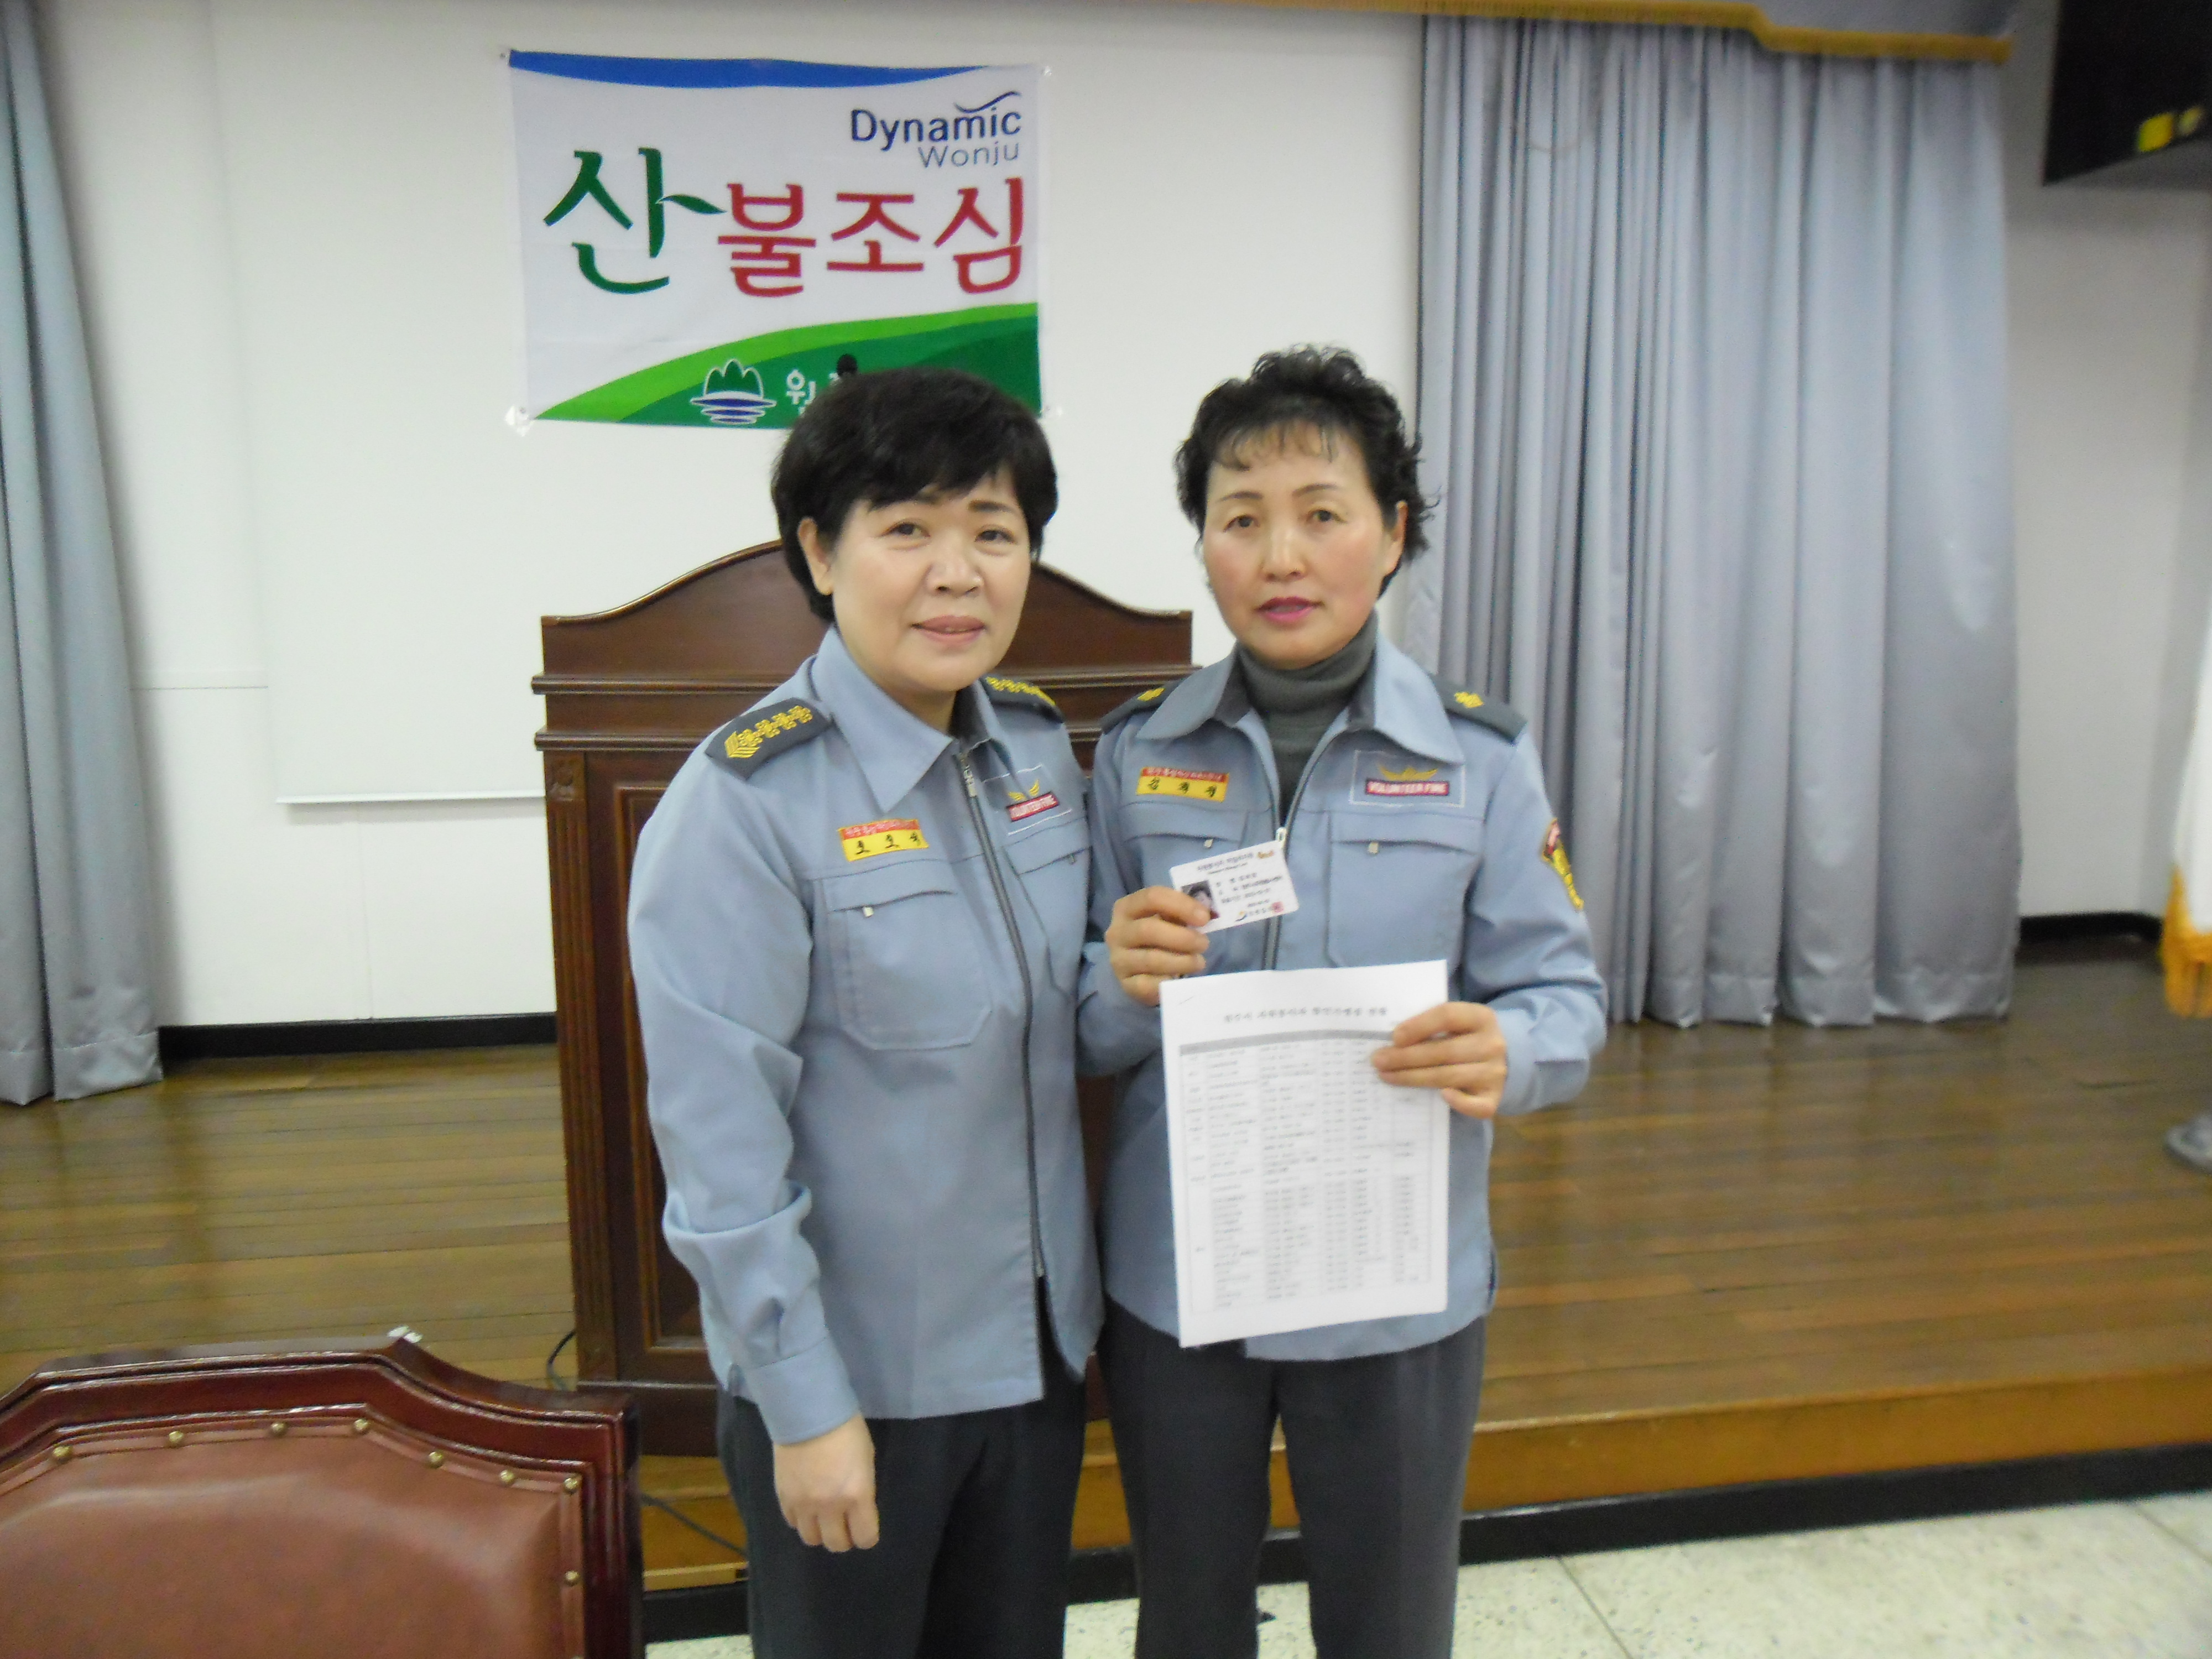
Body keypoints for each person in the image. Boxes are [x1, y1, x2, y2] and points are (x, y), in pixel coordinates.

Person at [1079, 347, 1607, 1659]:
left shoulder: (1479, 758)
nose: (1280, 557)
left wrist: (1510, 1050)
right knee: (1184, 1619)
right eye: (1239, 518)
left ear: (1392, 533)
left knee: (1388, 1623)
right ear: (1202, 546)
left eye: (1322, 513)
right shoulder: (1137, 751)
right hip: (1180, 1279)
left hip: (1391, 1280)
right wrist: (1119, 983)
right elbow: (1079, 1020)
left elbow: (1562, 998)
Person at [628, 367, 1102, 1659]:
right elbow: (721, 1150)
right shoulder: (743, 805)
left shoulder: (1036, 753)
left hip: (1034, 1363)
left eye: (993, 531)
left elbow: (1064, 1018)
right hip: (861, 1387)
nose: (957, 573)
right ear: (819, 552)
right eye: (906, 529)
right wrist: (803, 1404)